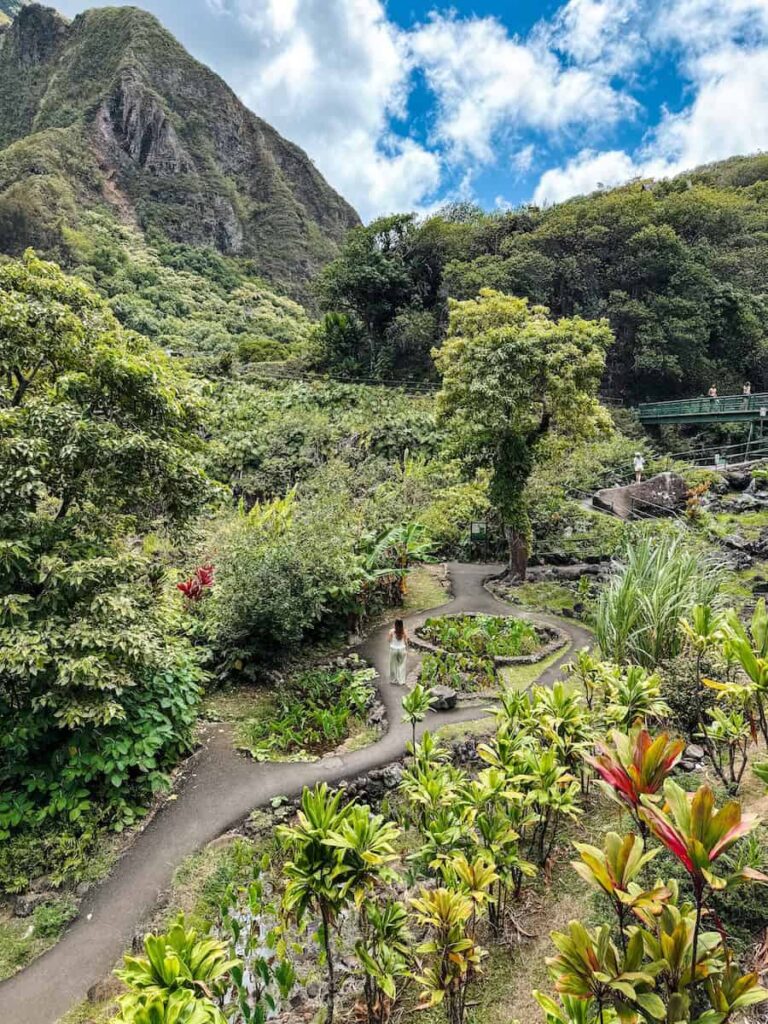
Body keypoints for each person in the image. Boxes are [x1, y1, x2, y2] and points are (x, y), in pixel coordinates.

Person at [388, 618, 409, 686]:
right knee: (402, 665)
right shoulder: (404, 631)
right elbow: (406, 642)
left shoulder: (391, 631)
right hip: (402, 649)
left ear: (395, 624)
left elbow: (389, 640)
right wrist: (406, 649)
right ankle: (401, 681)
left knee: (393, 665)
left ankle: (393, 680)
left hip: (393, 649)